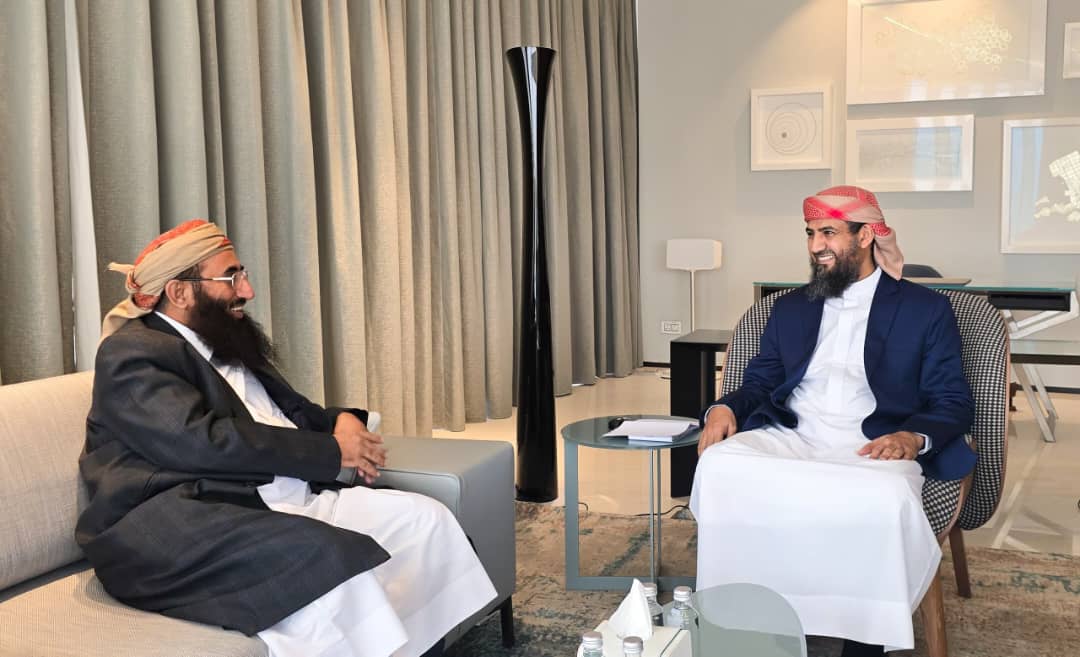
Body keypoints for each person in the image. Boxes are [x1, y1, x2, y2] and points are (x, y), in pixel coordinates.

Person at [76, 219, 496, 657]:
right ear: (179, 292)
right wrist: (334, 452)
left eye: (242, 274)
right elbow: (199, 441)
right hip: (182, 521)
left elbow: (287, 413)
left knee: (423, 521)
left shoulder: (223, 339)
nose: (248, 290)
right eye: (231, 278)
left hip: (278, 496)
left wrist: (343, 421)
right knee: (331, 561)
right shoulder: (133, 352)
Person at [689, 186, 974, 657]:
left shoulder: (925, 310)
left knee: (883, 496)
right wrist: (725, 408)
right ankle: (746, 625)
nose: (816, 245)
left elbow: (952, 399)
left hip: (874, 444)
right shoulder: (790, 307)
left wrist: (912, 436)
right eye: (810, 234)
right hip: (794, 434)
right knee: (718, 466)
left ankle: (863, 640)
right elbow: (760, 381)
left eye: (828, 233)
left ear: (866, 235)